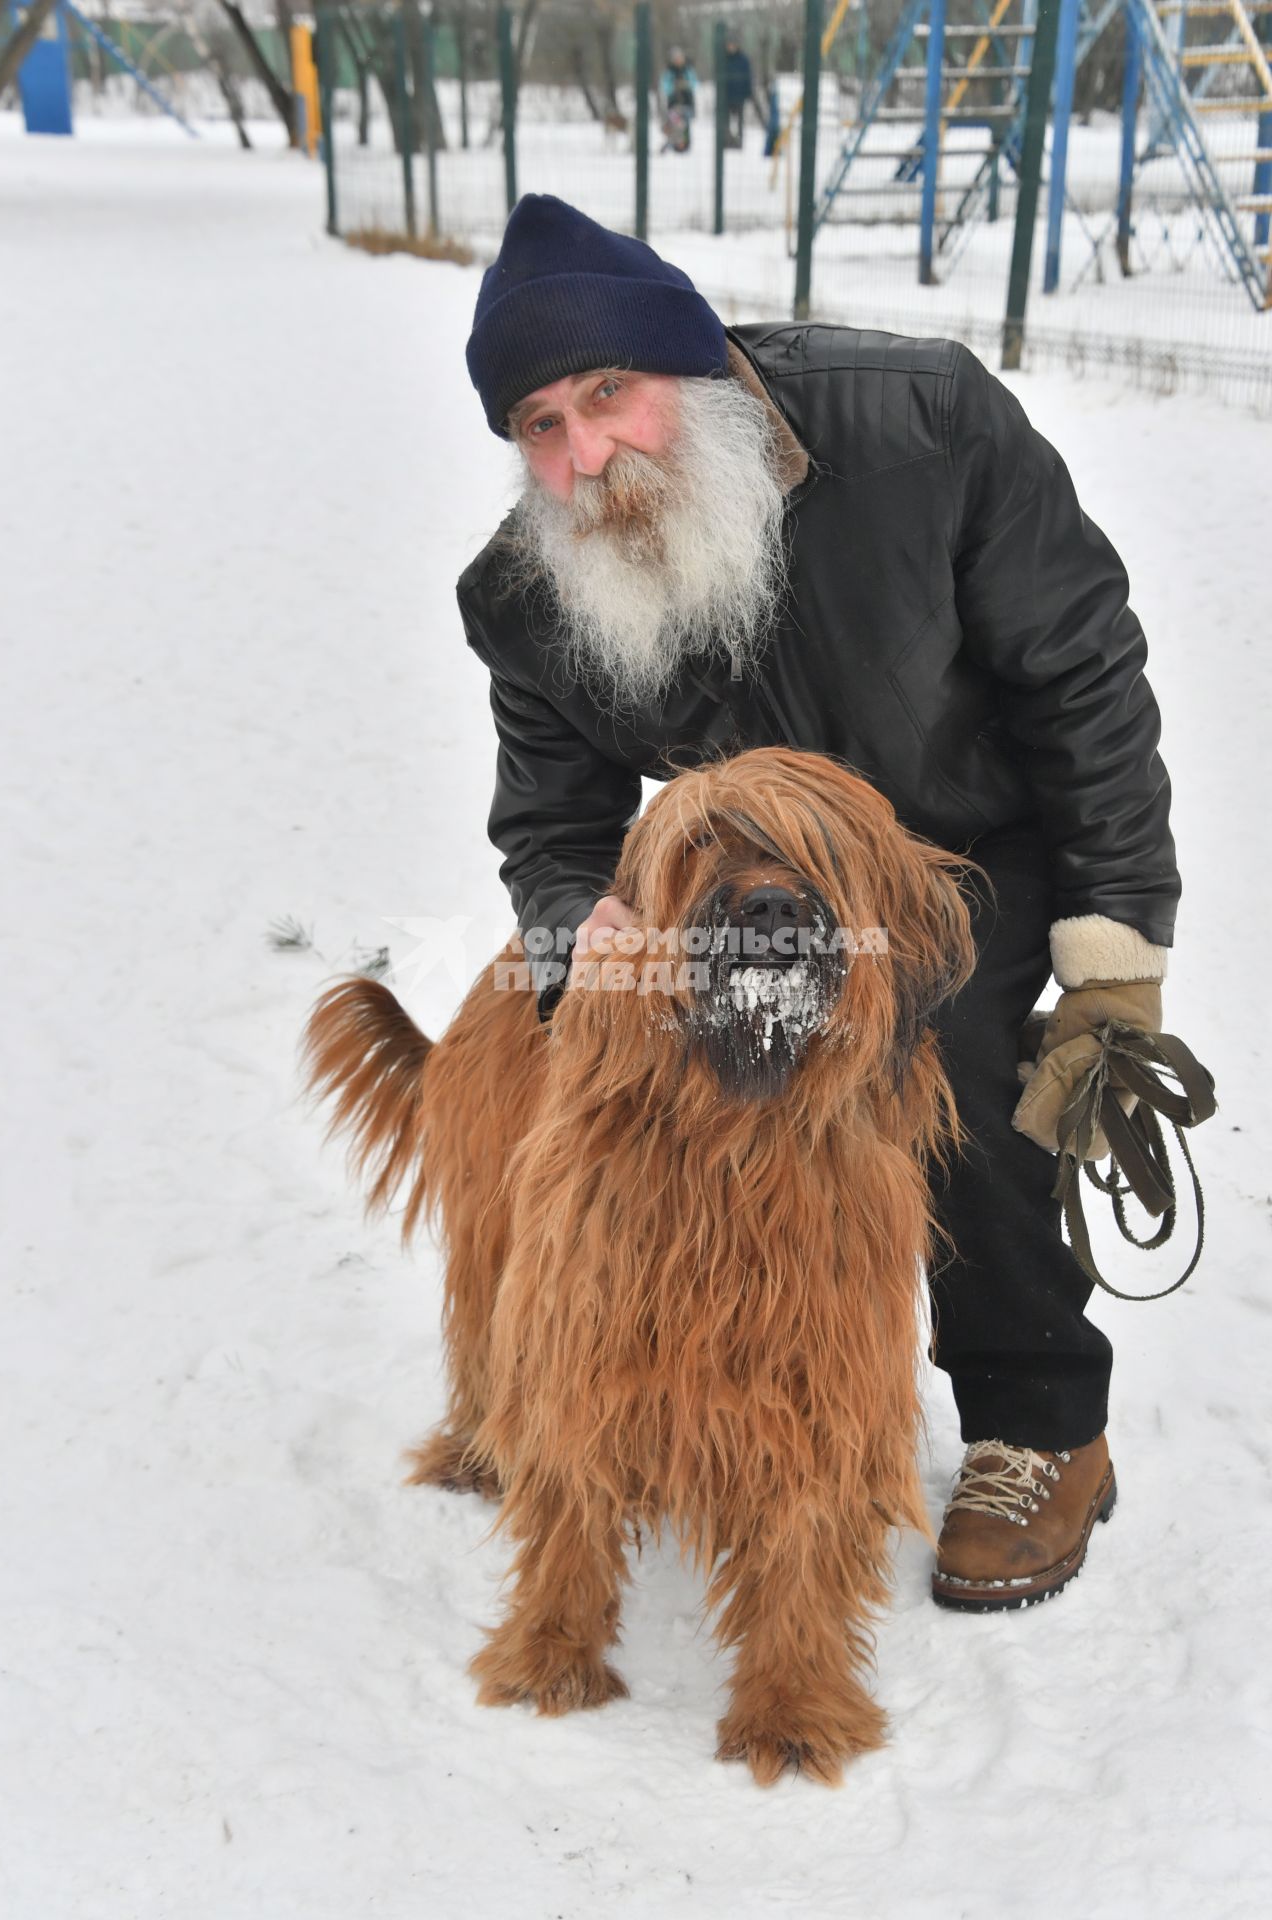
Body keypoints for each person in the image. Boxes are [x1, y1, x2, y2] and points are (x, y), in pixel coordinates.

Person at [459, 195, 1180, 1613]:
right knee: (648, 1073)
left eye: (610, 391)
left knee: (942, 1061)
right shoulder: (525, 591)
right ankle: (684, 1380)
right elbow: (553, 829)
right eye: (540, 422)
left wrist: (1113, 947)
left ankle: (1039, 1422)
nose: (585, 448)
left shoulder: (922, 425)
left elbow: (1082, 674)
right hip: (742, 883)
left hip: (961, 844)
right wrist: (572, 933)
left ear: (699, 365)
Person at [659, 46, 697, 153]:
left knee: (685, 126)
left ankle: (685, 145)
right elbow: (665, 87)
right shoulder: (669, 72)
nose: (678, 60)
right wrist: (674, 86)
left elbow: (695, 84)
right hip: (674, 104)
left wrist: (686, 84)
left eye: (680, 57)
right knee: (675, 124)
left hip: (687, 103)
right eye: (676, 58)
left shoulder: (688, 70)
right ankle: (675, 144)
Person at [723, 34, 753, 148]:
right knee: (726, 121)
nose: (731, 47)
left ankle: (739, 142)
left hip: (739, 95)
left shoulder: (743, 59)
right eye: (729, 45)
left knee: (740, 120)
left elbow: (748, 77)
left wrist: (747, 92)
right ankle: (727, 141)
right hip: (726, 96)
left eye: (733, 45)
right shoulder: (723, 59)